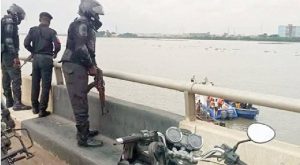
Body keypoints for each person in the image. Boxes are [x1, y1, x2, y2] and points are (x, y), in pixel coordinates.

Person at [60, 0, 104, 147]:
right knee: (79, 101)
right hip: (75, 65)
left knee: (82, 100)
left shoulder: (85, 24)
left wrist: (95, 67)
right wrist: (91, 66)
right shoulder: (81, 24)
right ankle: (83, 138)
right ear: (88, 11)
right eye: (96, 14)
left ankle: (84, 131)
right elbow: (80, 48)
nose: (98, 17)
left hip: (78, 65)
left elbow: (90, 51)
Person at [24, 12, 61, 117]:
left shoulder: (32, 30)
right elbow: (57, 45)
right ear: (49, 21)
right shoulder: (51, 32)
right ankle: (42, 110)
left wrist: (33, 52)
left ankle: (35, 108)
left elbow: (26, 43)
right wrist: (55, 53)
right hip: (46, 60)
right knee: (45, 86)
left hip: (35, 60)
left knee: (35, 83)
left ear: (40, 20)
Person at [1, 4, 31, 110]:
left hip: (3, 55)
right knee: (16, 78)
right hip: (9, 55)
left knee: (6, 78)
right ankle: (17, 103)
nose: (20, 20)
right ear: (16, 14)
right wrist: (15, 56)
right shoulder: (10, 22)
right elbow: (9, 41)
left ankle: (9, 101)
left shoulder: (3, 21)